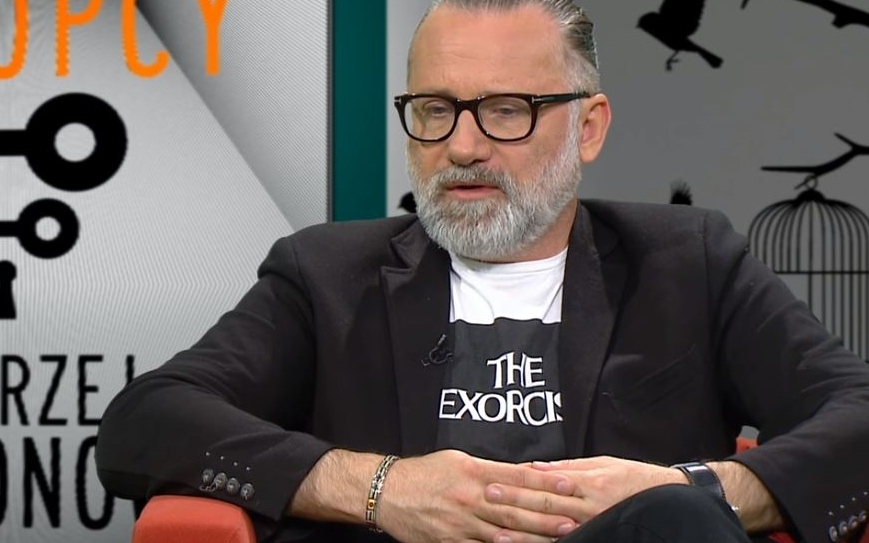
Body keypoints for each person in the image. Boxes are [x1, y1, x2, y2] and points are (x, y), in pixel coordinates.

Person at [95, 1, 869, 542]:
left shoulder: (686, 263)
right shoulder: (328, 275)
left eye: (505, 109)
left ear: (588, 127)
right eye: (434, 109)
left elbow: (857, 413)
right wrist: (379, 487)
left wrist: (701, 488)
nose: (462, 146)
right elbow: (146, 420)